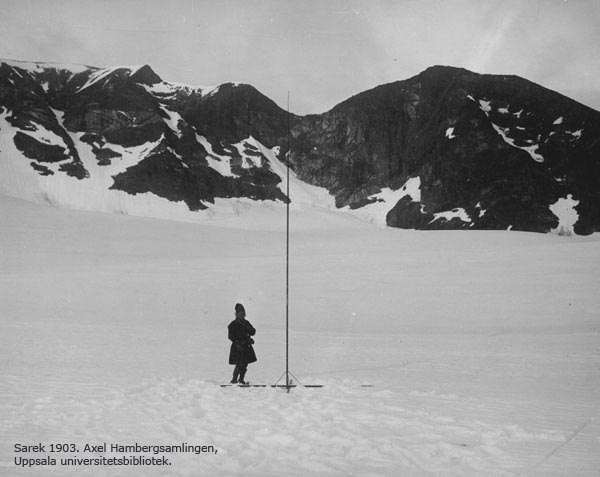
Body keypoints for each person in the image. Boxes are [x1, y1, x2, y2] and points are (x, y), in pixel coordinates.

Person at [228, 303, 257, 384]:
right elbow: (230, 336)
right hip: (237, 347)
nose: (242, 315)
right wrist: (237, 343)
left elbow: (253, 331)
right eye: (240, 314)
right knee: (239, 363)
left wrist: (248, 330)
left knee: (245, 363)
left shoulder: (246, 323)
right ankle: (234, 379)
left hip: (246, 346)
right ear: (236, 314)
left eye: (243, 313)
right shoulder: (233, 324)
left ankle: (241, 379)